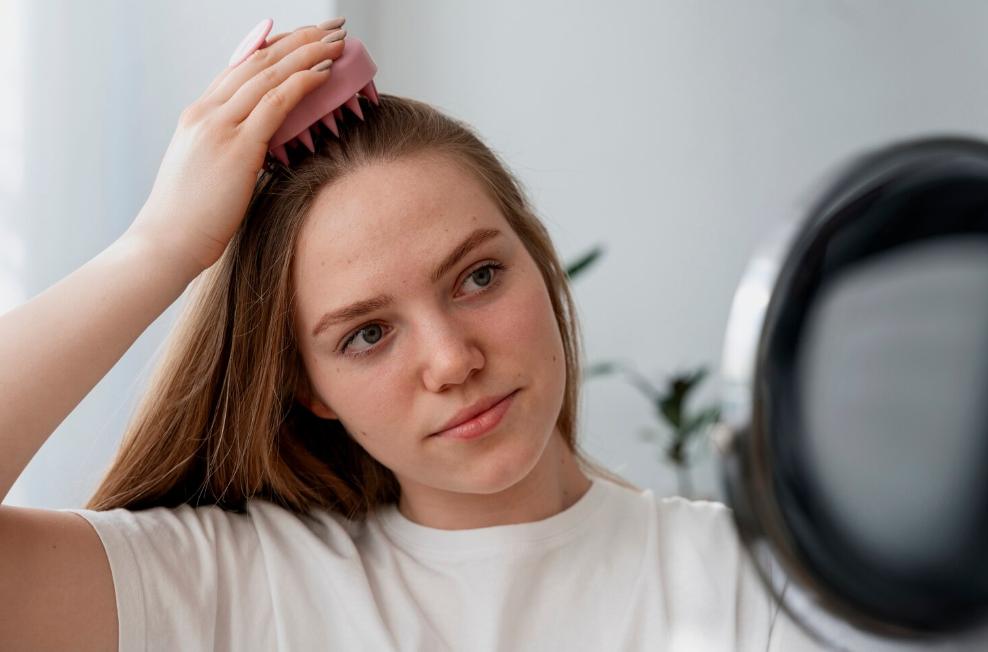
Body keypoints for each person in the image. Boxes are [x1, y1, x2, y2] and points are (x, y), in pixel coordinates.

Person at [0, 18, 811, 651]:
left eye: (479, 277)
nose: (453, 360)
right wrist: (159, 248)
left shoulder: (751, 578)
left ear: (539, 258)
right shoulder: (231, 589)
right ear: (304, 386)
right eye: (367, 334)